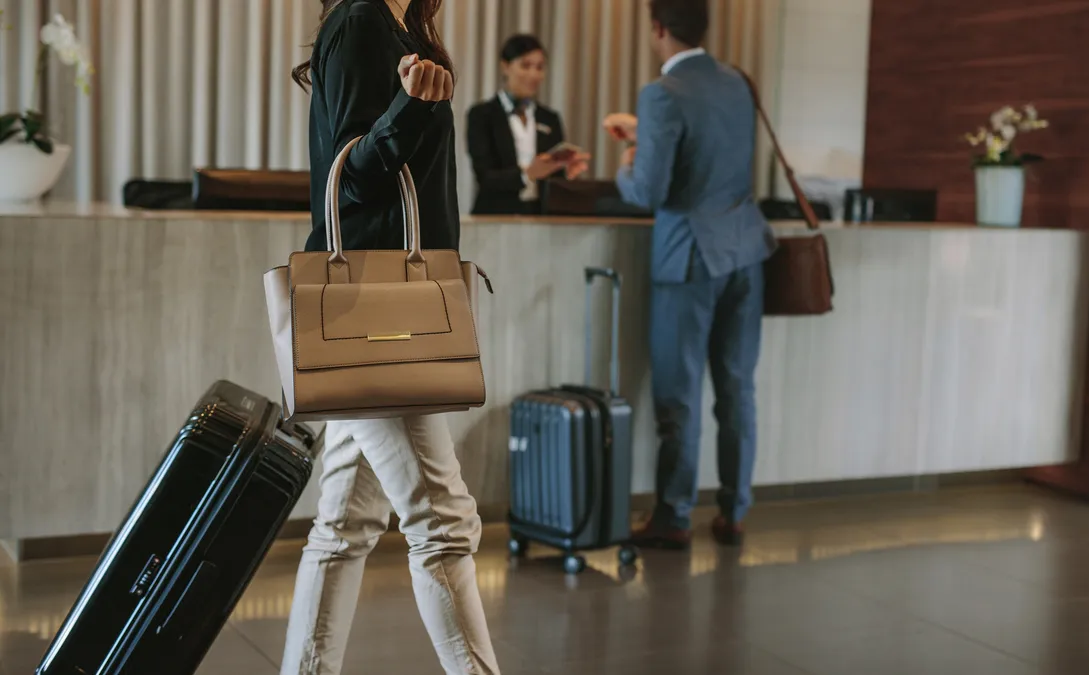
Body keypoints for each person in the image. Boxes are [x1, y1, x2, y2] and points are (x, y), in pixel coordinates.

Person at [286, 1, 500, 673]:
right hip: (376, 319)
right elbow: (349, 180)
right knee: (443, 521)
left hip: (386, 314)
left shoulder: (401, 27)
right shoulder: (360, 21)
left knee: (344, 526)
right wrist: (410, 107)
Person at [605, 0, 774, 550]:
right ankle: (735, 511)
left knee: (679, 396)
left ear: (657, 29)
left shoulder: (661, 94)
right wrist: (644, 134)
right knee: (737, 388)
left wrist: (626, 161)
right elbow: (713, 154)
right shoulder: (736, 83)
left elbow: (650, 191)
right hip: (747, 251)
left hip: (690, 259)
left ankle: (674, 516)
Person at [467, 34, 589, 215]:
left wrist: (566, 171)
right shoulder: (482, 115)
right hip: (494, 216)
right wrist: (527, 174)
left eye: (539, 67)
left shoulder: (549, 118)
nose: (534, 74)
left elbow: (554, 178)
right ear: (505, 66)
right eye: (525, 65)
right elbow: (484, 176)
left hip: (540, 217)